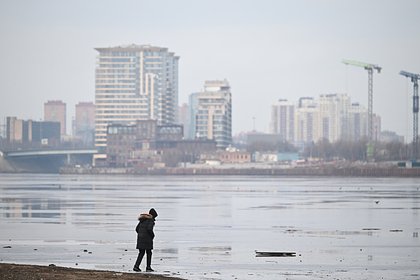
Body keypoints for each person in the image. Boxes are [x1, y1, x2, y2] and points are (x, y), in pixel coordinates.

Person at [133, 208, 158, 272]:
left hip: (140, 239)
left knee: (141, 253)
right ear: (153, 215)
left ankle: (136, 266)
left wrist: (141, 235)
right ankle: (148, 267)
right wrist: (152, 236)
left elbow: (137, 229)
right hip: (147, 240)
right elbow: (149, 229)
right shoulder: (151, 221)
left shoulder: (142, 220)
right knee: (149, 253)